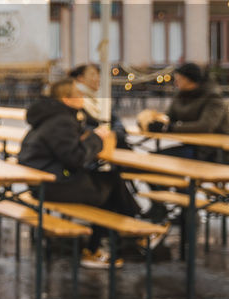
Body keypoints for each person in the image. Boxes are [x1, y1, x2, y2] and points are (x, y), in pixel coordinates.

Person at [19, 79, 160, 267]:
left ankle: (119, 240)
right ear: (66, 99)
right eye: (78, 94)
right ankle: (131, 235)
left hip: (45, 180)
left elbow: (66, 151)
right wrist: (96, 139)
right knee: (111, 185)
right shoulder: (61, 120)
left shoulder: (51, 116)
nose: (83, 97)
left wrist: (87, 137)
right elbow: (76, 157)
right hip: (52, 184)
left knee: (109, 183)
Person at [142, 63, 229, 162]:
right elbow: (169, 116)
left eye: (178, 80)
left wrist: (170, 128)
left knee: (157, 160)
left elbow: (206, 126)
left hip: (213, 151)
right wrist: (156, 121)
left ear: (188, 80)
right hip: (192, 146)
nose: (175, 83)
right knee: (153, 158)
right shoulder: (180, 95)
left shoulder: (212, 97)